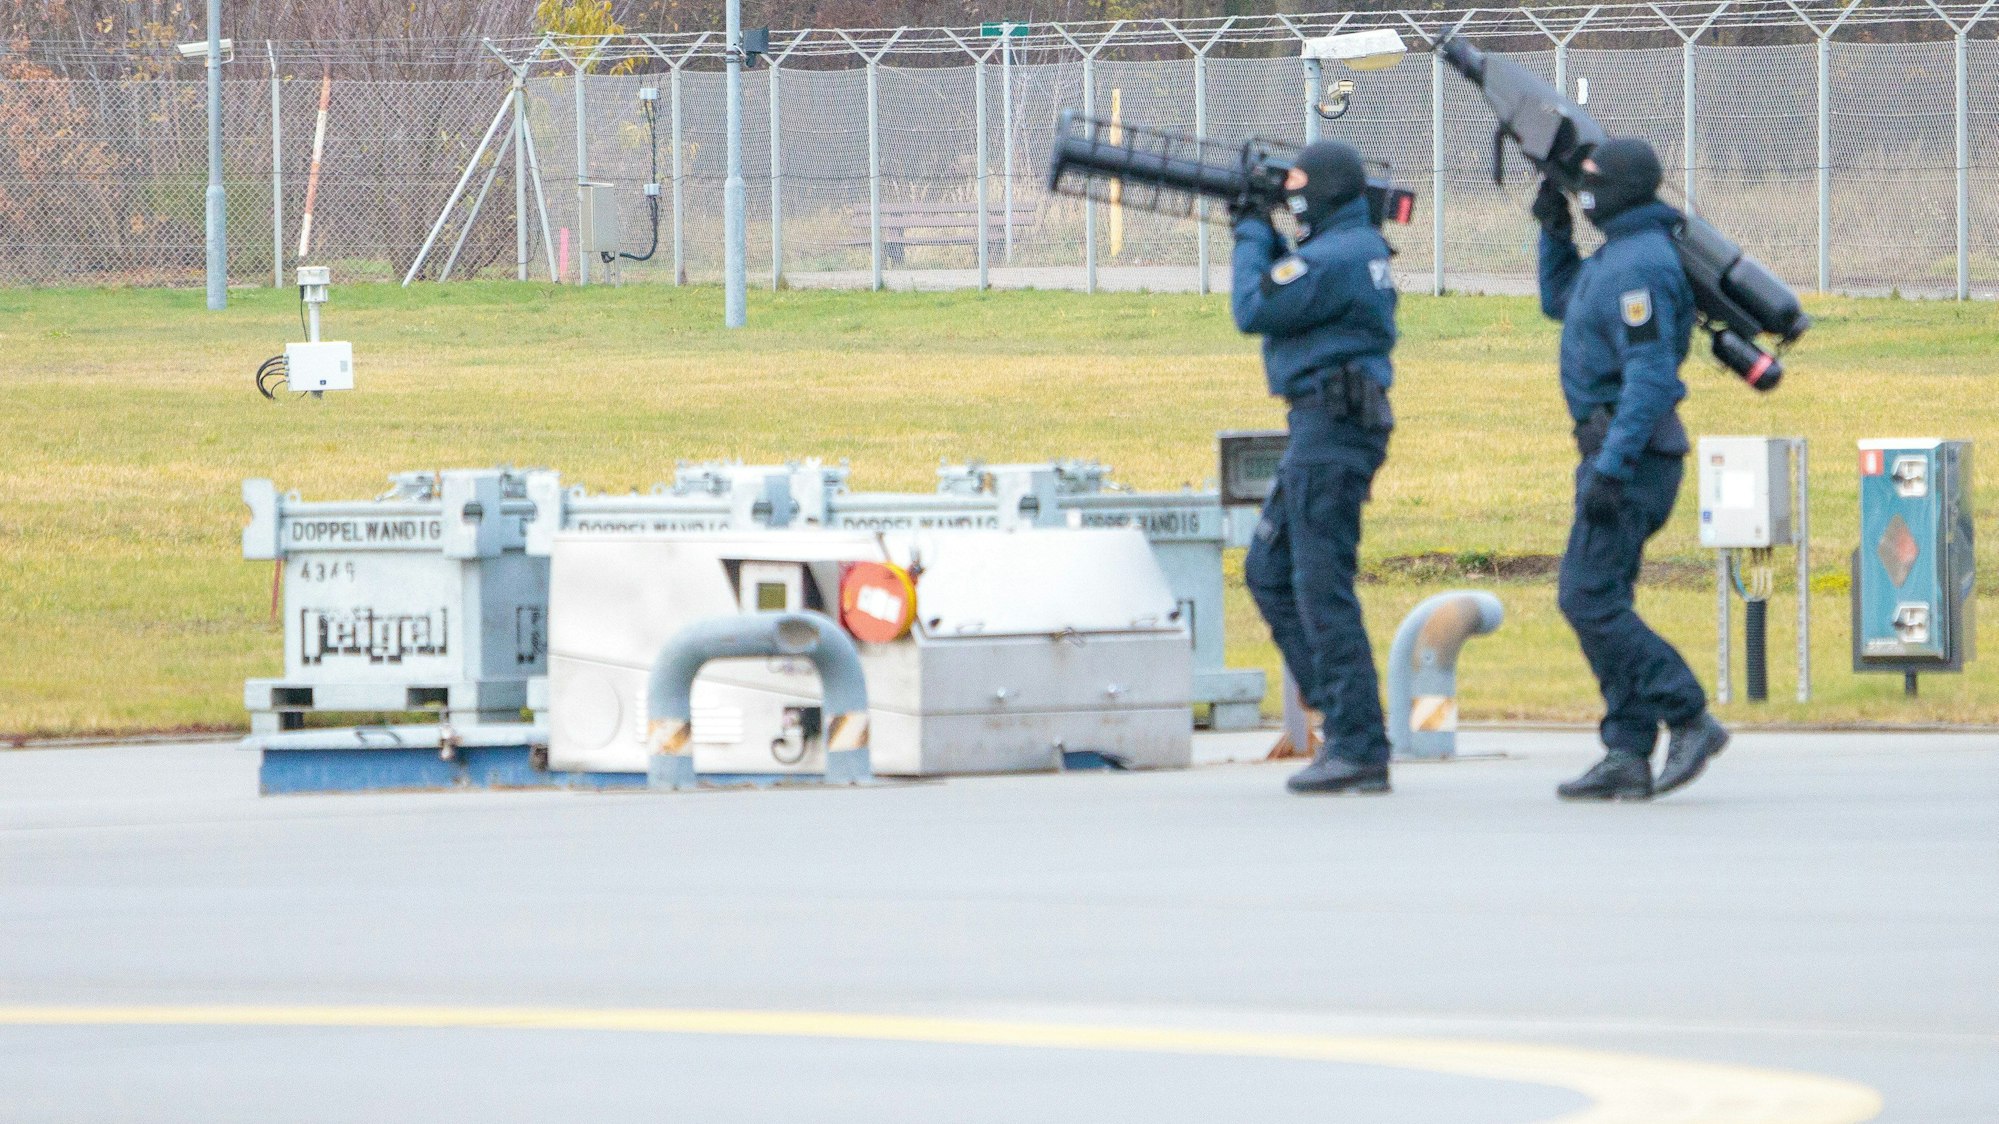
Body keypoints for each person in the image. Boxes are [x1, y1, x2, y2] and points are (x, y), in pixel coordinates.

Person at [1532, 136, 1731, 801]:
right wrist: (1553, 233)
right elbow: (1561, 300)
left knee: (1583, 597)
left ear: (1619, 189)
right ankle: (1625, 750)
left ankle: (1688, 714)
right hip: (1616, 454)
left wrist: (1612, 468)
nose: (1582, 188)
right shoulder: (1616, 254)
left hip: (1632, 460)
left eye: (1589, 181)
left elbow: (1649, 377)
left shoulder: (1639, 265)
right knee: (1602, 598)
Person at [1232, 141, 1399, 795]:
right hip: (1323, 428)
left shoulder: (1338, 255)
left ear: (1323, 190)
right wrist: (1265, 235)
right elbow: (1286, 288)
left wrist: (1250, 228)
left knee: (1319, 586)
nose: (1289, 192)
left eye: (1297, 182)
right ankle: (1349, 728)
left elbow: (1254, 307)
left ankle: (1358, 743)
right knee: (1269, 570)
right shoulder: (1349, 247)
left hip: (1331, 433)